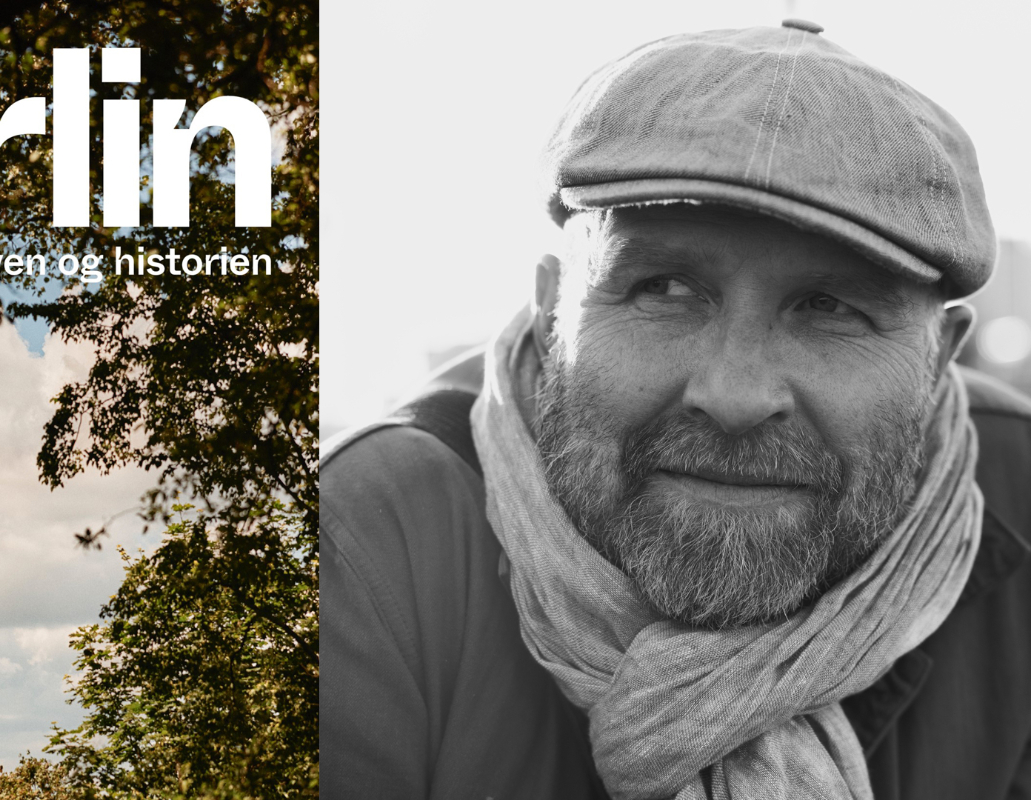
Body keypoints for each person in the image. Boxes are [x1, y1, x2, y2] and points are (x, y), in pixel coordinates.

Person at [320, 19, 1031, 800]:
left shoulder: (1021, 494)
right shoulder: (369, 540)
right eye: (663, 289)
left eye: (829, 307)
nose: (733, 397)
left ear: (940, 359)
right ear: (554, 309)